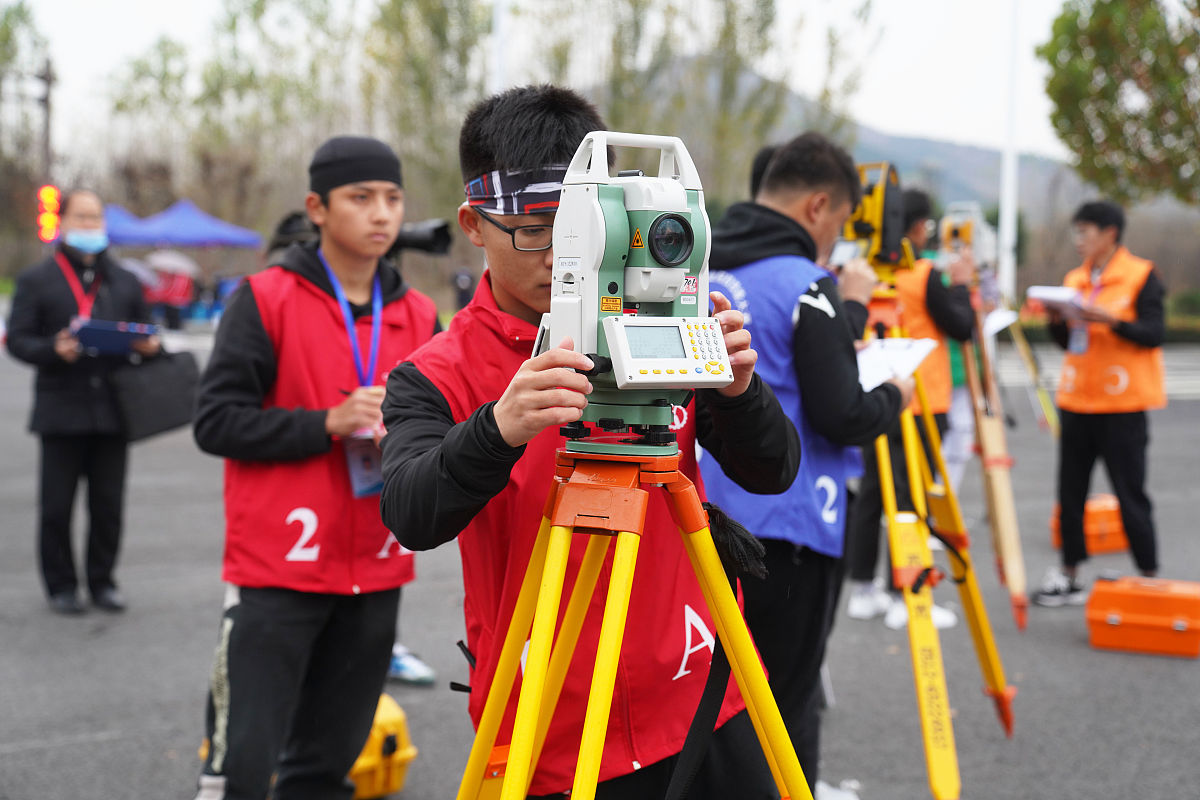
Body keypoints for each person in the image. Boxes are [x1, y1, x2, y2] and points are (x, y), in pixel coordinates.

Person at [378, 84, 800, 799]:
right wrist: (497, 428)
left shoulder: (661, 324)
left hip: (702, 697)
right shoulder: (437, 372)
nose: (561, 256)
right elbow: (411, 513)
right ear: (473, 224)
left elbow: (772, 469)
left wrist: (738, 390)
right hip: (546, 725)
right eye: (537, 229)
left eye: (584, 228)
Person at [191, 135, 439, 800]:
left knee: (325, 768)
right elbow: (215, 422)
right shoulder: (265, 298)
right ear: (318, 208)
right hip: (277, 568)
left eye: (392, 198)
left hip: (376, 569)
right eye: (361, 199)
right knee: (242, 766)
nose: (381, 214)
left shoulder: (418, 314)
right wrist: (323, 424)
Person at [702, 132, 911, 790]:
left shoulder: (694, 267)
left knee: (713, 699)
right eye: (843, 221)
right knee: (785, 702)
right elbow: (841, 412)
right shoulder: (805, 284)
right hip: (789, 521)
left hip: (701, 511)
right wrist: (895, 394)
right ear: (819, 206)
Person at [6, 189, 161, 615]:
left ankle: (102, 581)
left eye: (96, 218)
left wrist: (147, 345)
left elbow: (148, 330)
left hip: (114, 410)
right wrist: (52, 350)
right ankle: (60, 585)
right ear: (64, 221)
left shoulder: (125, 280)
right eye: (82, 217)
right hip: (61, 410)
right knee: (56, 506)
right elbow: (17, 340)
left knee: (107, 505)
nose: (90, 226)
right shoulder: (38, 280)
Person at [843, 188, 974, 630]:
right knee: (909, 497)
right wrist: (960, 284)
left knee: (874, 493)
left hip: (872, 395)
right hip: (918, 399)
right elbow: (961, 325)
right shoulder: (924, 275)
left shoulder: (862, 274)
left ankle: (864, 589)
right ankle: (906, 592)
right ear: (919, 227)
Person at [1033, 200, 1165, 606]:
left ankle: (1148, 576)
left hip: (1123, 405)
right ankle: (1069, 573)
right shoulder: (1074, 279)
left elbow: (1153, 332)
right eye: (1076, 232)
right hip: (1076, 401)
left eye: (1085, 231)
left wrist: (1111, 321)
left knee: (1130, 493)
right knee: (1070, 493)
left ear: (1110, 233)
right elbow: (1066, 343)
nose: (1078, 240)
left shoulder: (1141, 276)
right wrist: (1057, 319)